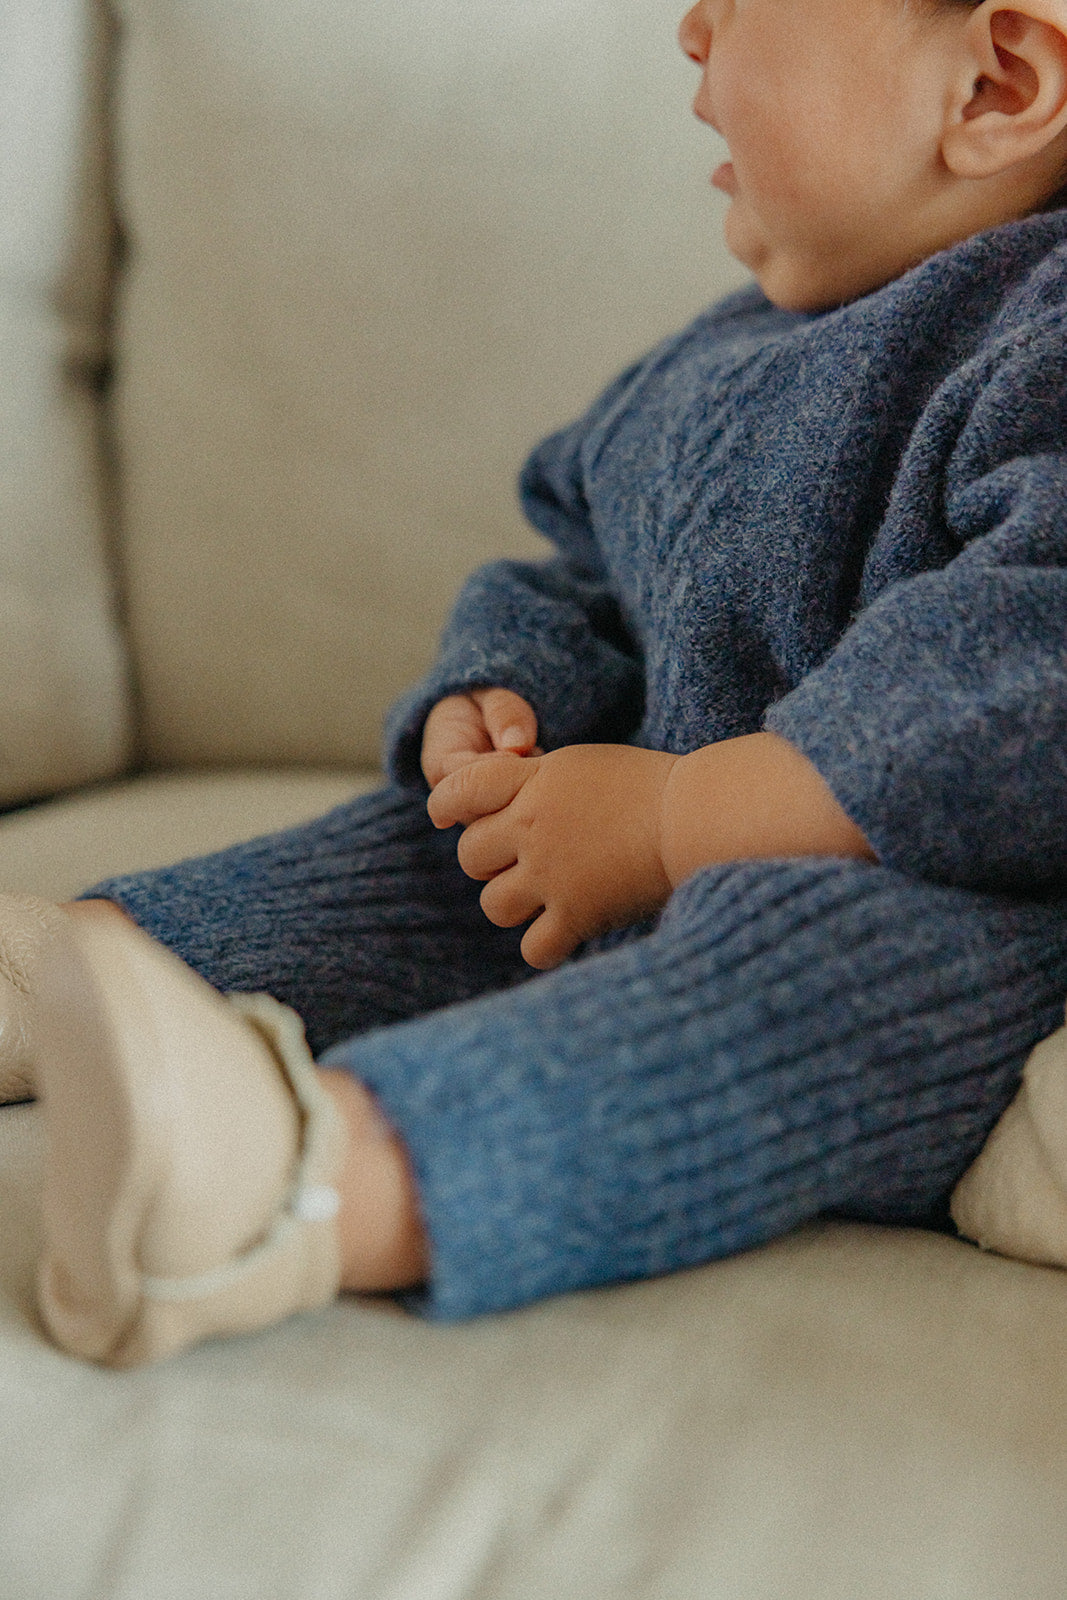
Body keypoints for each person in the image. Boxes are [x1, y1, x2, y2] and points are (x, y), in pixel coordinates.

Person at [9, 0, 1067, 1366]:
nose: (693, 29)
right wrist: (502, 695)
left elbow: (1033, 658)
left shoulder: (1044, 335)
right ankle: (53, 976)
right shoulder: (721, 354)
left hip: (931, 915)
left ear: (995, 84)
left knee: (827, 970)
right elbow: (584, 568)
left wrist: (681, 819)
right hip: (611, 849)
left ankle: (297, 1189)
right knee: (436, 854)